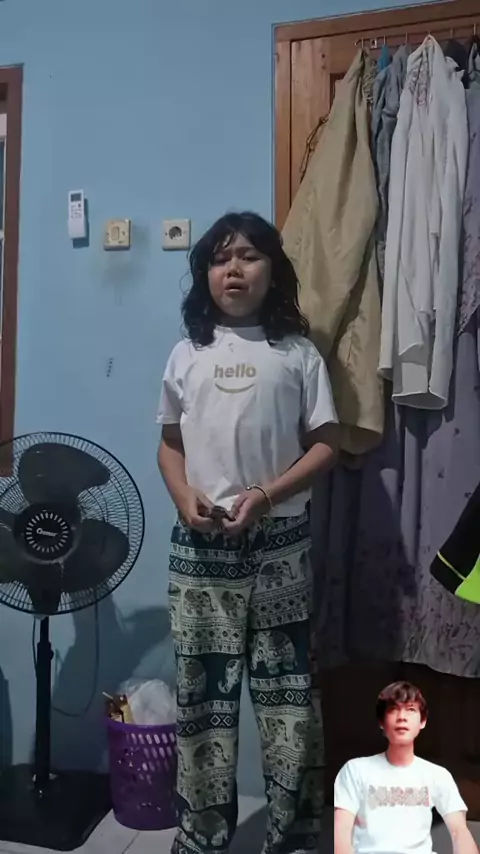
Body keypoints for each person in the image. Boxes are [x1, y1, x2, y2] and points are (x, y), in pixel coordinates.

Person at [157, 211, 339, 854]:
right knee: (201, 701)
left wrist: (265, 497)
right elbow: (169, 445)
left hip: (280, 545)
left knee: (289, 700)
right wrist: (183, 497)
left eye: (249, 256)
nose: (233, 269)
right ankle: (201, 836)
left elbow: (326, 444)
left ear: (273, 271)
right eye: (219, 258)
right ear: (204, 274)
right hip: (200, 548)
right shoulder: (188, 353)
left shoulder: (298, 354)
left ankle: (293, 838)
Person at [334, 681, 478, 854]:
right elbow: (342, 833)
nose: (402, 717)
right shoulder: (355, 770)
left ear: (422, 721)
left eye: (410, 709)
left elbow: (459, 831)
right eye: (393, 709)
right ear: (381, 722)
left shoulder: (437, 775)